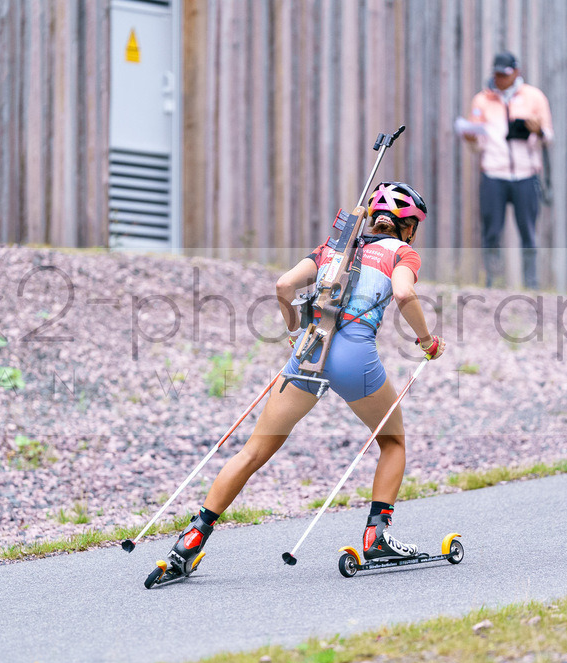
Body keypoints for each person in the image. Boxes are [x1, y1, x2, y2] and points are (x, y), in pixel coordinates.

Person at [159, 182, 446, 579]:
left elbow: (283, 286)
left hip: (309, 352)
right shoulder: (402, 252)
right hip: (353, 360)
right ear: (408, 226)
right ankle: (376, 538)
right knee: (393, 442)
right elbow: (404, 295)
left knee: (254, 452)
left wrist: (294, 331)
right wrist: (427, 341)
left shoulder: (332, 247)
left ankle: (191, 539)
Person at [459, 51, 553, 289]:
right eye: (497, 74)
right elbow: (477, 143)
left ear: (516, 73)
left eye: (505, 74)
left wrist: (538, 131)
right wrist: (470, 137)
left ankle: (532, 285)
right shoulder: (482, 100)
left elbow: (549, 137)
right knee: (491, 232)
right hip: (493, 175)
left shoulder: (534, 97)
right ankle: (492, 283)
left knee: (528, 233)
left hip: (526, 175)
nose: (501, 78)